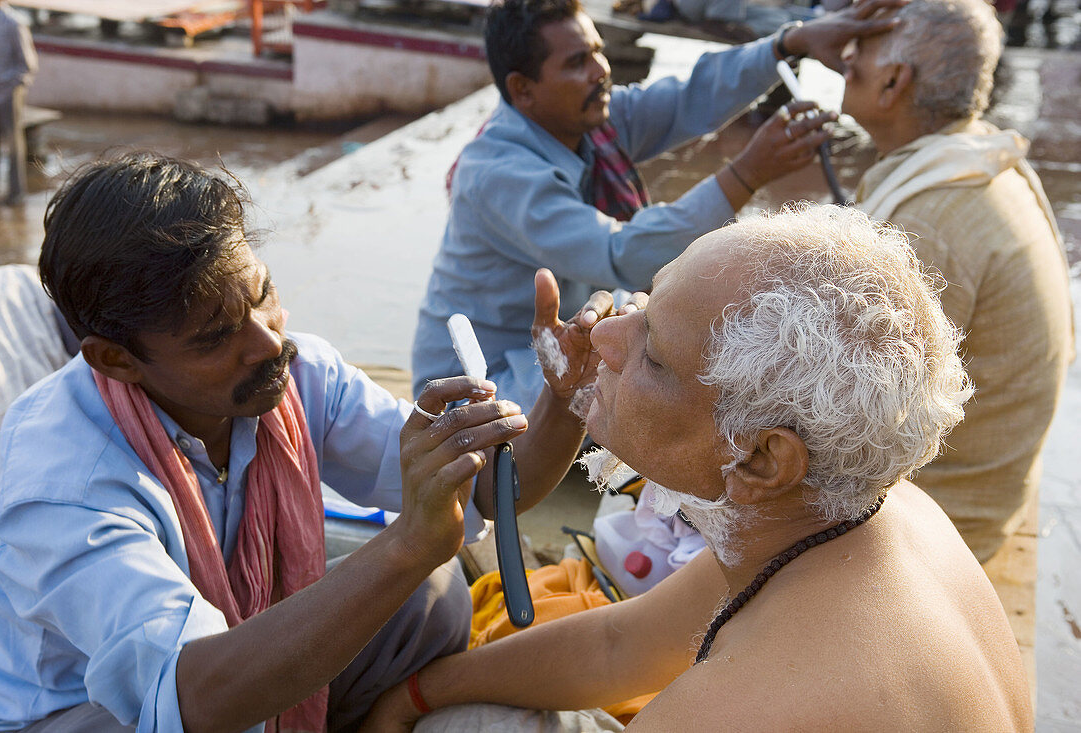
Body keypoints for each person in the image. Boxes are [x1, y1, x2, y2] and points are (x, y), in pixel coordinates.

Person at [0, 153, 610, 733]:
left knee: (431, 601)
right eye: (213, 337)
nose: (268, 344)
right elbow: (188, 699)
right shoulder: (60, 482)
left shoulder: (296, 375)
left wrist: (566, 400)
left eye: (262, 297)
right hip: (80, 714)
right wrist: (405, 545)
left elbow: (493, 488)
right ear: (116, 359)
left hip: (213, 660)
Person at [365, 204, 1033, 731]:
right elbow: (620, 646)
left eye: (653, 354)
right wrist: (417, 693)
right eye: (643, 304)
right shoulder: (874, 512)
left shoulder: (731, 708)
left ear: (763, 456)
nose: (602, 334)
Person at [411, 0, 907, 411]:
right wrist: (746, 173)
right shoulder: (498, 172)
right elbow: (621, 255)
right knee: (673, 354)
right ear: (522, 89)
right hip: (480, 379)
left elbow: (691, 99)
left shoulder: (589, 121)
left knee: (677, 328)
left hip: (551, 349)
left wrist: (790, 42)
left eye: (597, 53)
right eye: (576, 63)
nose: (600, 71)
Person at [841, 0, 1073, 563]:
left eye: (861, 47)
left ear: (894, 82)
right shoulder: (974, 161)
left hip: (945, 525)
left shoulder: (928, 220)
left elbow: (853, 425)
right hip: (981, 491)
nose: (844, 56)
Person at [0, 0, 36, 205]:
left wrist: (11, 88)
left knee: (13, 141)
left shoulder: (14, 23)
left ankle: (16, 192)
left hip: (7, 93)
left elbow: (28, 65)